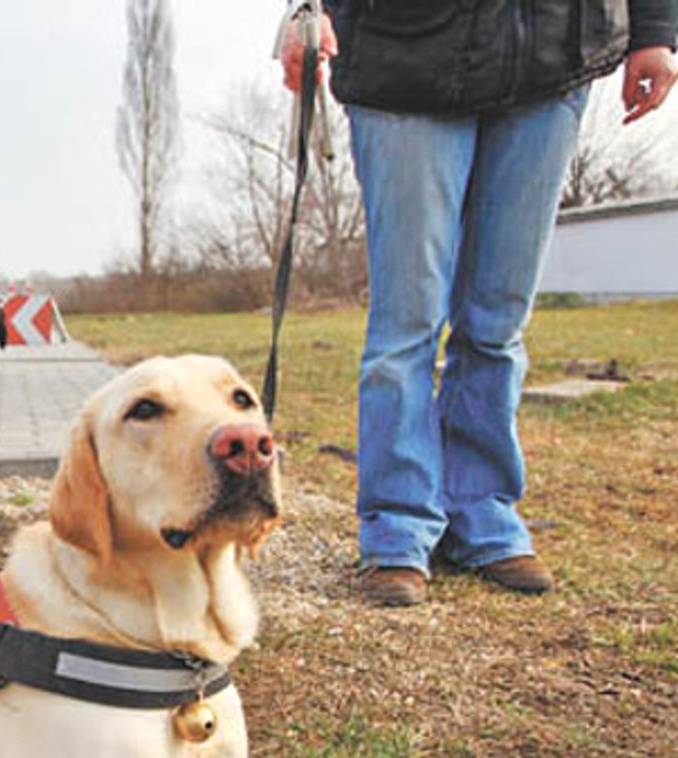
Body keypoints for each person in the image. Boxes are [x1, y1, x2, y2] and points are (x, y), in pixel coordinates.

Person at [280, 1, 676, 606]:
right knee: (406, 323)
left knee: (498, 320)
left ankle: (482, 510)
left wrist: (655, 30)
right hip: (403, 56)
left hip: (552, 50)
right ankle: (397, 526)